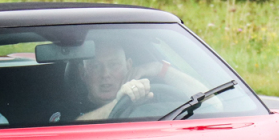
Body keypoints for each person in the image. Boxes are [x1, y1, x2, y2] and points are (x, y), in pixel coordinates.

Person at [75, 41, 206, 120]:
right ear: (83, 73)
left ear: (128, 66)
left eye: (114, 65)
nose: (105, 74)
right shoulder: (67, 103)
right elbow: (75, 131)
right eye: (96, 66)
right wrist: (119, 101)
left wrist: (159, 68)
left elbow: (213, 104)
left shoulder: (151, 94)